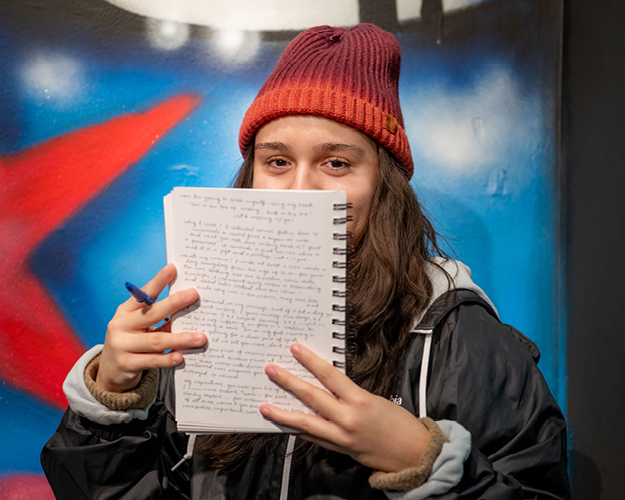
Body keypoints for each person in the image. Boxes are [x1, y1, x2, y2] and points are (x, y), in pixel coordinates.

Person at [41, 24, 570, 499]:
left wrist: (423, 461)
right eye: (276, 161)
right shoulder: (199, 324)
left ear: (383, 184)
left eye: (336, 162)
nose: (300, 190)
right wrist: (112, 399)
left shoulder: (458, 339)